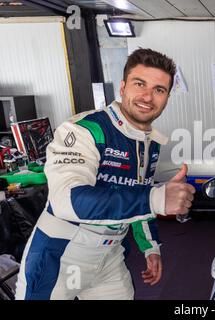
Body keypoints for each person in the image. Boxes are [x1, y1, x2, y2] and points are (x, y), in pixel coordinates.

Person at [15, 48, 196, 300]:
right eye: (139, 84)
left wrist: (150, 247)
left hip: (109, 258)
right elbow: (66, 200)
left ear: (166, 98)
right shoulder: (84, 130)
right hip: (60, 257)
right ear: (122, 87)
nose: (148, 96)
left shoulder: (149, 142)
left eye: (159, 90)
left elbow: (139, 191)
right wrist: (155, 199)